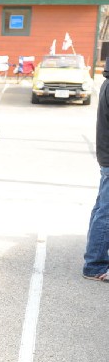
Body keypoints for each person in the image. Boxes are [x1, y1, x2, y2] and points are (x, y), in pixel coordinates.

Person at [84, 59, 109, 282]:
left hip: (106, 156)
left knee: (101, 209)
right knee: (106, 213)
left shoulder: (106, 83)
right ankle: (95, 265)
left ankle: (94, 260)